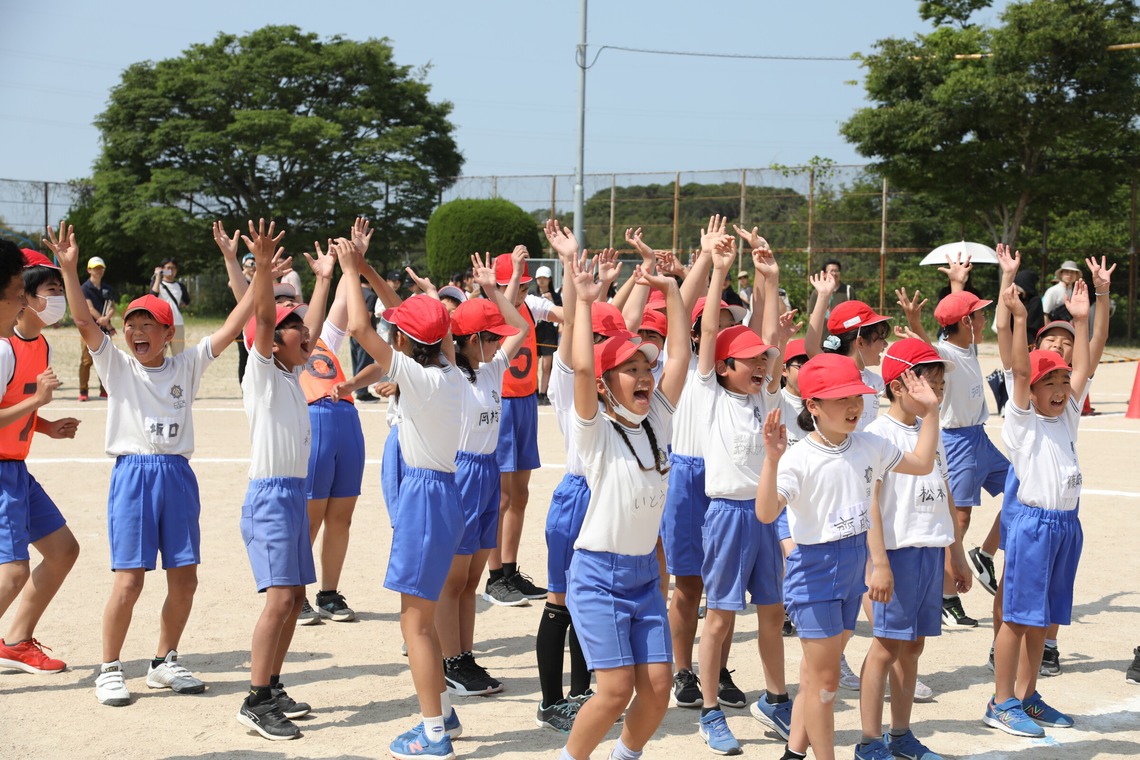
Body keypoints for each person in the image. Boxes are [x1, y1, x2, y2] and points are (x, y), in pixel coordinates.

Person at [50, 220, 255, 708]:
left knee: (185, 576)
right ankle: (109, 668)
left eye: (147, 323)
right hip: (135, 474)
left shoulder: (187, 364)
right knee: (130, 578)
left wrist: (247, 267)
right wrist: (69, 266)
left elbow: (236, 323)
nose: (136, 329)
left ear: (167, 331)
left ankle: (164, 661)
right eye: (131, 323)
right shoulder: (117, 365)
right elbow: (82, 322)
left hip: (177, 476)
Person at [755, 353, 940, 760]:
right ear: (813, 406)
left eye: (856, 396)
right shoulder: (798, 458)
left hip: (853, 567)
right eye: (841, 399)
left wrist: (931, 412)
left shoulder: (870, 445)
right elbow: (767, 513)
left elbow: (924, 463)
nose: (854, 406)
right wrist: (771, 461)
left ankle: (793, 753)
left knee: (814, 673)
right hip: (815, 571)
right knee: (825, 683)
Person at [559, 249, 690, 760]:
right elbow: (581, 368)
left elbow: (677, 355)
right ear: (605, 384)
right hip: (597, 575)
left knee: (658, 690)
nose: (644, 375)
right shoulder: (595, 430)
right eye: (628, 369)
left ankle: (624, 757)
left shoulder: (657, 419)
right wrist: (585, 305)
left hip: (641, 575)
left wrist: (673, 289)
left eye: (644, 367)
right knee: (614, 691)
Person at [340, 242, 466, 759]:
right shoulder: (451, 370)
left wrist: (351, 270)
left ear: (406, 344)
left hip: (423, 496)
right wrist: (371, 272)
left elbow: (358, 330)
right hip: (445, 494)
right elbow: (409, 327)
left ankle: (433, 734)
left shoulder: (414, 375)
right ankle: (446, 713)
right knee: (426, 617)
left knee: (413, 622)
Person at [692, 236, 794, 755]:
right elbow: (711, 329)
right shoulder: (711, 393)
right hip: (728, 515)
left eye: (762, 361)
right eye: (748, 361)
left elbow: (771, 334)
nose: (759, 367)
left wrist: (769, 279)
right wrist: (717, 267)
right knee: (721, 616)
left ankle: (776, 699)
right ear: (724, 366)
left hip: (766, 516)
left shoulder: (765, 396)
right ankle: (709, 709)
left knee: (774, 612)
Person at [983, 277, 1090, 738]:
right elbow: (1021, 373)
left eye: (1064, 380)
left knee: (1043, 620)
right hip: (1033, 526)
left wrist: (1083, 321)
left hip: (1066, 525)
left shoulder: (1067, 414)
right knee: (1017, 616)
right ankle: (1001, 699)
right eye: (1053, 381)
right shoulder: (1023, 422)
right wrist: (1020, 319)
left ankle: (1027, 695)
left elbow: (1085, 366)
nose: (1063, 386)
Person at [858, 338, 971, 760]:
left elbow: (941, 489)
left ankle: (900, 734)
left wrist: (955, 553)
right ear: (900, 384)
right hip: (896, 553)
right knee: (886, 646)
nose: (938, 392)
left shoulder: (930, 428)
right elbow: (871, 501)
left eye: (941, 385)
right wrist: (879, 563)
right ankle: (869, 741)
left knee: (914, 643)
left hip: (928, 550)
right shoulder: (877, 435)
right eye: (930, 382)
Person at [535, 222, 626, 733]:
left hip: (610, 498)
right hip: (577, 497)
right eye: (602, 338)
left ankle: (583, 693)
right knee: (562, 602)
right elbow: (576, 329)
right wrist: (573, 267)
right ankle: (552, 701)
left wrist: (610, 291)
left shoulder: (618, 379)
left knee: (593, 603)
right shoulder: (572, 381)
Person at [235, 221, 318, 741]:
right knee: (279, 599)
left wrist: (326, 279)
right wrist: (263, 270)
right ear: (270, 341)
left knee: (293, 596)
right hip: (269, 495)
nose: (303, 334)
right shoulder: (262, 372)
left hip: (293, 494)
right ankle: (254, 698)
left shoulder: (291, 376)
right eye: (295, 329)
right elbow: (264, 318)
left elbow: (313, 320)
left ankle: (273, 684)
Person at [436, 252, 530, 698]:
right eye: (490, 337)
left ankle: (464, 656)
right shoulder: (450, 374)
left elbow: (524, 329)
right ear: (472, 339)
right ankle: (449, 661)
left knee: (472, 581)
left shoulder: (492, 369)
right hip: (461, 474)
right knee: (452, 580)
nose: (498, 344)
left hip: (486, 473)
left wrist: (494, 291)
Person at [896, 280, 1005, 630]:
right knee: (956, 520)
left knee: (1025, 487)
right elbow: (928, 347)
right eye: (978, 315)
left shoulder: (968, 344)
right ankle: (946, 596)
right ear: (963, 322)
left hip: (980, 437)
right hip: (957, 441)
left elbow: (954, 312)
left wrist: (959, 283)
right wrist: (915, 321)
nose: (984, 319)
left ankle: (984, 554)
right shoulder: (945, 352)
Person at [0, 249, 82, 675]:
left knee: (63, 550)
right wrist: (36, 402)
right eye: (51, 290)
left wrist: (45, 425)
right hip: (1, 473)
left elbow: (16, 408)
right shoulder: (3, 348)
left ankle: (15, 642)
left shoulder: (41, 344)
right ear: (23, 296)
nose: (58, 299)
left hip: (15, 469)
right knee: (13, 573)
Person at [483, 247, 563, 605]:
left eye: (526, 284)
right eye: (518, 283)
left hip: (526, 402)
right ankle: (494, 575)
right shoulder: (489, 312)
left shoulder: (532, 305)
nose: (524, 290)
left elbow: (567, 314)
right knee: (499, 496)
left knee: (520, 493)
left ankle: (511, 570)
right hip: (500, 404)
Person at [79, 255, 114, 401]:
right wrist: (103, 320)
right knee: (87, 361)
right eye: (95, 268)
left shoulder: (108, 288)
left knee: (105, 359)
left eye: (100, 268)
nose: (98, 271)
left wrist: (106, 320)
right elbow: (89, 308)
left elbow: (112, 306)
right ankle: (83, 391)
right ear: (89, 270)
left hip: (104, 329)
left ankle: (104, 389)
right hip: (88, 328)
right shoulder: (84, 288)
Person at [150, 258, 191, 356]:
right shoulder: (157, 283)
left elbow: (187, 301)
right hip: (161, 323)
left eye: (173, 268)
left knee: (179, 355)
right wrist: (157, 277)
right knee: (159, 354)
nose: (171, 271)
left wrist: (179, 306)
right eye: (168, 268)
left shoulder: (180, 286)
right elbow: (152, 296)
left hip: (177, 323)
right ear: (162, 269)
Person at [534, 264, 561, 406]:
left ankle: (543, 393)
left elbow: (561, 313)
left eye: (544, 278)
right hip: (535, 333)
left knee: (546, 365)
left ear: (549, 279)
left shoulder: (556, 296)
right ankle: (535, 390)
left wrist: (551, 301)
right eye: (539, 278)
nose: (541, 281)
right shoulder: (533, 295)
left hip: (549, 334)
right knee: (533, 364)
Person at [804, 260, 854, 326]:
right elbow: (811, 316)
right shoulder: (817, 292)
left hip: (843, 334)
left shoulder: (848, 290)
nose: (834, 273)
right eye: (831, 271)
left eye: (836, 271)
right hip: (822, 335)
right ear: (824, 274)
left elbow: (854, 314)